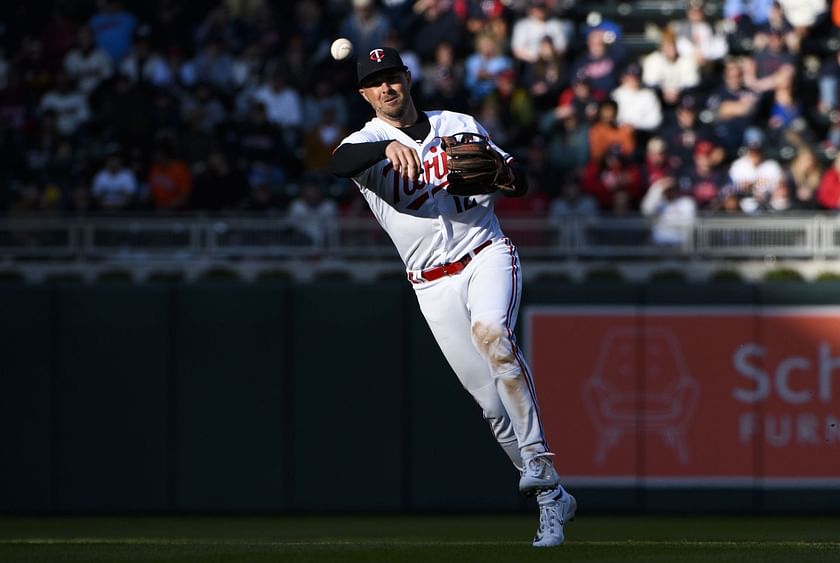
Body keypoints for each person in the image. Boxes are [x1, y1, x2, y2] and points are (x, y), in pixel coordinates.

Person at [328, 46, 575, 548]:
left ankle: (539, 459)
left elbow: (519, 179)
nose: (387, 88)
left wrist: (504, 174)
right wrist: (384, 150)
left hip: (485, 251)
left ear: (407, 78)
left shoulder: (456, 122)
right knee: (489, 405)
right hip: (431, 282)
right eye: (376, 82)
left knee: (495, 334)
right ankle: (553, 497)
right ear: (364, 94)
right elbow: (337, 163)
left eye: (393, 76)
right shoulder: (366, 140)